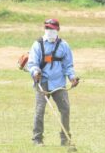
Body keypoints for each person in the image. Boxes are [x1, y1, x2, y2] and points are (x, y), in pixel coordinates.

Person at [27, 18, 79, 146]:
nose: (49, 31)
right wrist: (35, 72)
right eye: (47, 28)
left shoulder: (64, 46)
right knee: (39, 110)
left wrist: (72, 77)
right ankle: (37, 139)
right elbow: (32, 63)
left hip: (58, 83)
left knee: (65, 109)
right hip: (42, 82)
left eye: (52, 29)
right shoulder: (38, 44)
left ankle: (65, 139)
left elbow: (68, 65)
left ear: (57, 30)